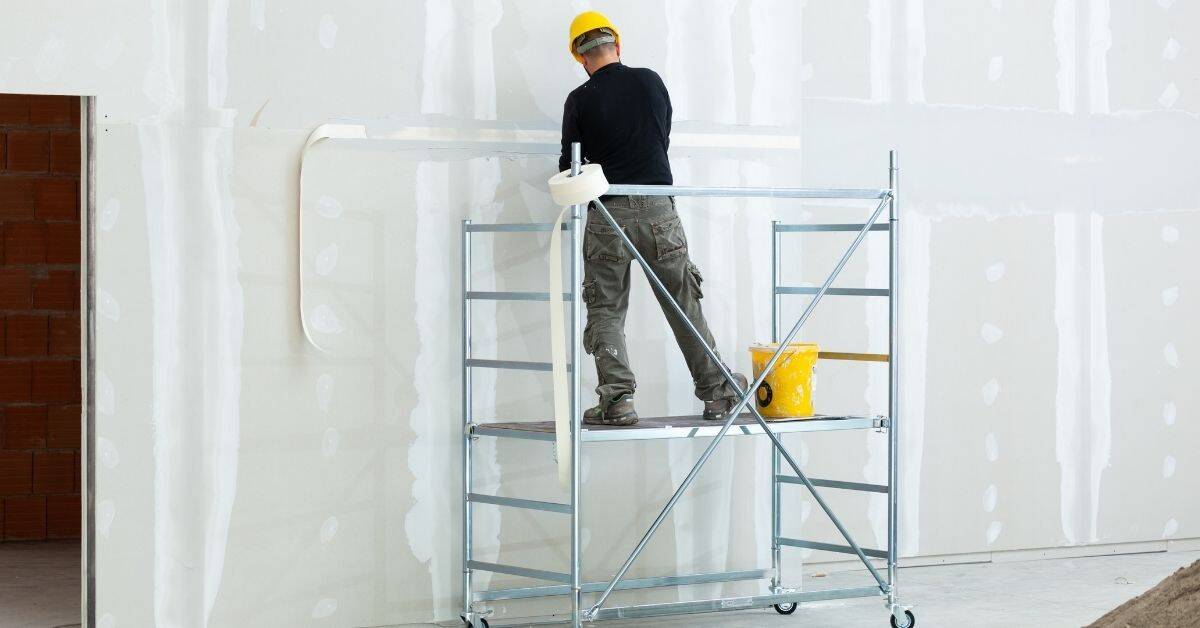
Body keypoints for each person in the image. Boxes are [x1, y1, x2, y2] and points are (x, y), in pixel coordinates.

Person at [559, 11, 746, 427]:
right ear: (618, 46)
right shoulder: (650, 81)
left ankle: (617, 400)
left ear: (580, 57)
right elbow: (660, 139)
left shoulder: (580, 99)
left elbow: (569, 165)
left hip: (608, 212)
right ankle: (717, 393)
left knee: (605, 308)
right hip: (660, 209)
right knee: (682, 303)